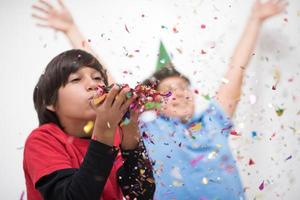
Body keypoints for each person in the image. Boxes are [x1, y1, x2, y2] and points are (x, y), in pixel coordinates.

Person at [31, 0, 287, 199]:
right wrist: (71, 29)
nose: (182, 93)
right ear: (152, 101)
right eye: (170, 90)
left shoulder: (213, 121)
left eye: (185, 88)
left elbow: (235, 73)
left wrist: (255, 19)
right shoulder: (143, 130)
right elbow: (105, 83)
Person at [23, 49, 155, 200]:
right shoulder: (42, 140)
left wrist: (130, 128)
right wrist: (105, 129)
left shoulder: (115, 135)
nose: (93, 85)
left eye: (98, 78)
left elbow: (142, 195)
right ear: (50, 102)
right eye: (75, 80)